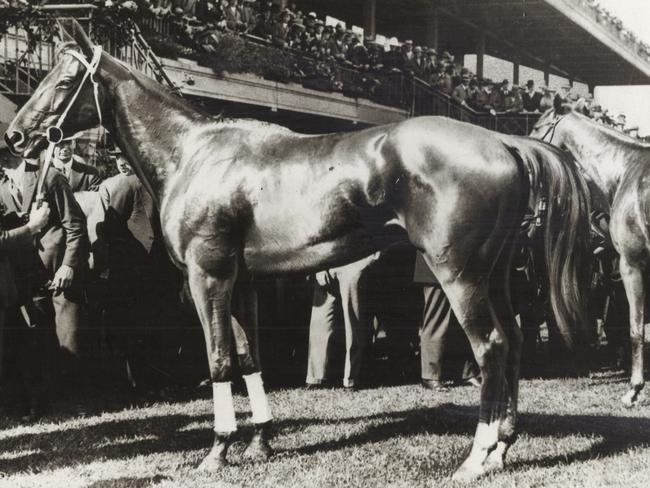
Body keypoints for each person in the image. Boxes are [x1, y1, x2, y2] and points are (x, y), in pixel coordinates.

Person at [95, 149, 182, 394]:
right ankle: (139, 385)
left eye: (127, 157)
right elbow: (109, 230)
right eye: (119, 158)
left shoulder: (161, 183)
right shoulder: (126, 186)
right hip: (133, 274)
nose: (123, 162)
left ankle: (160, 382)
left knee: (160, 328)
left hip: (162, 271)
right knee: (135, 329)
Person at [306, 253, 380, 390]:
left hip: (354, 264)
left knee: (353, 323)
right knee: (320, 321)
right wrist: (318, 267)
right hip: (327, 263)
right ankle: (316, 376)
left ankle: (350, 378)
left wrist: (365, 263)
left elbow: (380, 234)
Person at [413, 252, 480, 389]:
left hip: (459, 265)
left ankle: (465, 372)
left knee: (462, 318)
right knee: (436, 317)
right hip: (434, 264)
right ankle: (430, 375)